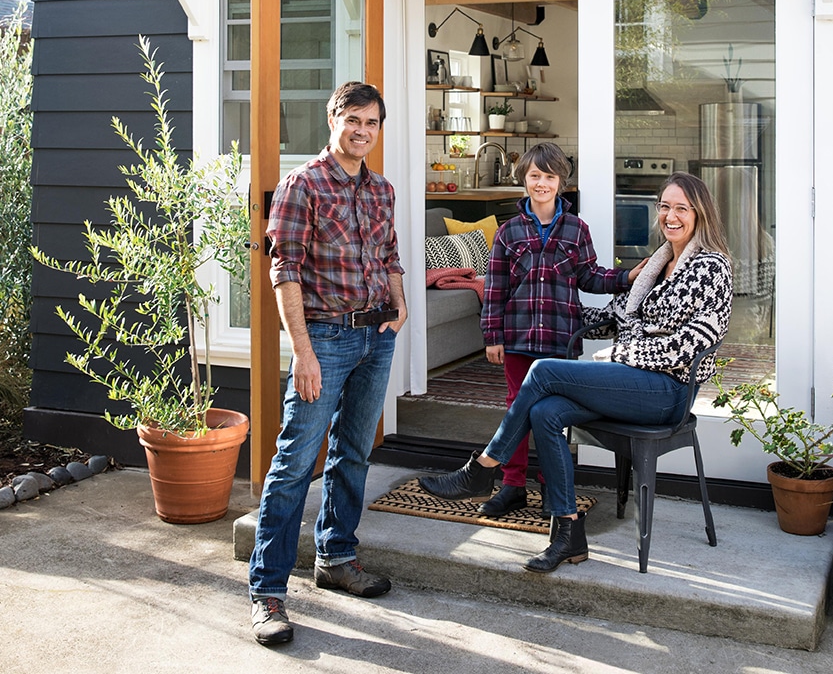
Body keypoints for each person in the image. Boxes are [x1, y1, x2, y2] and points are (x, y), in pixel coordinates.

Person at [419, 171, 732, 574]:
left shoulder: (710, 267)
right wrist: (553, 307)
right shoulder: (659, 263)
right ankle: (567, 532)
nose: (670, 216)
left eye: (681, 209)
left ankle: (482, 469)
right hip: (633, 381)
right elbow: (614, 317)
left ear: (699, 213)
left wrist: (622, 354)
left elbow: (693, 343)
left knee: (544, 372)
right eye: (665, 207)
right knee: (545, 411)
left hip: (667, 391)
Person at [249, 82, 407, 645]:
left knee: (354, 454)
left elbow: (389, 254)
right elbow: (284, 271)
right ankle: (268, 592)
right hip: (325, 340)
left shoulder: (382, 189)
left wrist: (400, 303)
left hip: (376, 338)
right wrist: (303, 351)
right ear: (333, 119)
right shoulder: (303, 185)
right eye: (353, 120)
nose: (362, 131)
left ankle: (336, 558)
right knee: (295, 463)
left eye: (372, 122)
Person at [478, 142, 631, 518]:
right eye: (535, 175)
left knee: (551, 414)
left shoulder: (577, 230)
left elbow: (590, 277)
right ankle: (512, 485)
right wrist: (493, 336)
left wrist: (627, 277)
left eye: (549, 176)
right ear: (524, 179)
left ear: (561, 181)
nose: (542, 183)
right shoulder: (508, 232)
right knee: (517, 409)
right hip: (518, 338)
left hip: (560, 339)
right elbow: (495, 288)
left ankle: (551, 486)